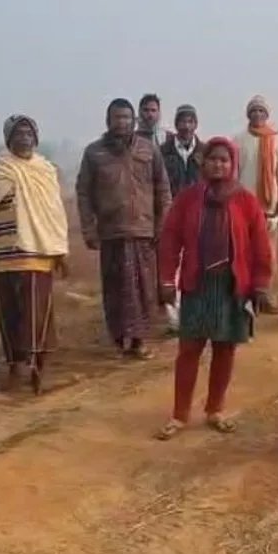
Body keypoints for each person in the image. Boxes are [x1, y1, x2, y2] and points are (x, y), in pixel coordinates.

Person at [155, 137, 274, 440]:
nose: (218, 165)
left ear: (232, 164)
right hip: (197, 283)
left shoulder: (246, 201)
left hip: (231, 286)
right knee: (189, 349)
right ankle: (179, 414)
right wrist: (166, 280)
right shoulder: (188, 199)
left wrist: (261, 284)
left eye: (224, 160)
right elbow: (170, 240)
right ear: (203, 162)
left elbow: (261, 245)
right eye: (213, 159)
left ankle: (215, 409)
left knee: (225, 348)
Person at [0, 114, 70, 393]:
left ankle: (39, 367)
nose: (24, 137)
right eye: (18, 133)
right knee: (10, 312)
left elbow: (54, 215)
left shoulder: (46, 171)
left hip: (40, 252)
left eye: (29, 133)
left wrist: (61, 253)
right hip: (6, 253)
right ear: (8, 138)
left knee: (38, 311)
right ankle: (15, 367)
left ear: (36, 138)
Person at [76, 98, 172, 359]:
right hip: (112, 233)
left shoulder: (148, 150)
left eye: (127, 118)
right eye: (117, 117)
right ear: (108, 121)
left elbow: (163, 189)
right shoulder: (94, 153)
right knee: (115, 290)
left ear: (134, 120)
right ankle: (119, 340)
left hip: (143, 232)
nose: (122, 122)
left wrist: (162, 225)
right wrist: (88, 230)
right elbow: (83, 193)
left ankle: (139, 341)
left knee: (144, 290)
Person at [233, 95, 278, 312]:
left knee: (268, 254)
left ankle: (266, 296)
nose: (257, 114)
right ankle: (246, 296)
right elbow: (235, 174)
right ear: (248, 115)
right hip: (244, 206)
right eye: (254, 111)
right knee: (244, 253)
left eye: (261, 111)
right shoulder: (238, 141)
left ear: (267, 115)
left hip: (269, 207)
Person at [159, 104, 205, 335]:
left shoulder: (205, 152)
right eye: (182, 121)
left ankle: (197, 314)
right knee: (171, 265)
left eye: (190, 121)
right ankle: (175, 320)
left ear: (196, 124)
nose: (186, 126)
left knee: (198, 265)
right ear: (176, 124)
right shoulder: (163, 153)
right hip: (171, 215)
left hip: (200, 217)